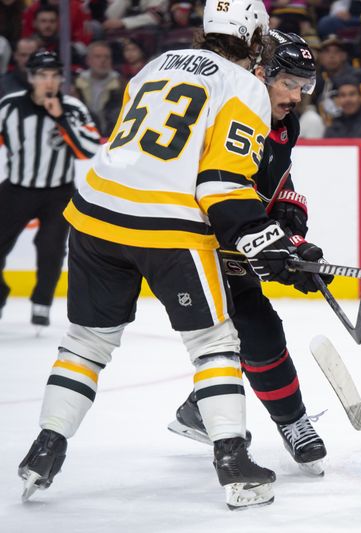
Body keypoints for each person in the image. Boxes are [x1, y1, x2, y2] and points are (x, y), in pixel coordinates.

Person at [17, 0, 286, 510]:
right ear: (252, 35)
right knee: (214, 343)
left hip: (95, 213)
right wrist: (259, 235)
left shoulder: (154, 64)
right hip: (166, 225)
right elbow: (221, 183)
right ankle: (234, 464)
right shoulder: (245, 86)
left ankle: (44, 450)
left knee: (86, 343)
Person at [168, 29, 329, 476]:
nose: (297, 96)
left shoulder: (281, 125)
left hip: (228, 239)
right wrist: (264, 242)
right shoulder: (226, 110)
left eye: (305, 86)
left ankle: (199, 409)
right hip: (188, 241)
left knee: (239, 334)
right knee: (257, 326)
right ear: (261, 74)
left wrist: (291, 233)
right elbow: (214, 188)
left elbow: (271, 186)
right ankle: (293, 422)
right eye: (290, 83)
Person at [0, 51, 100, 326]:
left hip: (58, 191)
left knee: (52, 248)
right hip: (17, 188)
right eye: (43, 76)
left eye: (55, 75)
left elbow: (89, 150)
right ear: (31, 77)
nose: (49, 82)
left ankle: (42, 301)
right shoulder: (9, 106)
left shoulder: (73, 107)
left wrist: (61, 119)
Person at [72, 41, 124, 138]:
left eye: (107, 57)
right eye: (98, 57)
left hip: (112, 137)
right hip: (83, 136)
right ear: (88, 60)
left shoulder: (122, 85)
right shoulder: (75, 85)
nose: (103, 60)